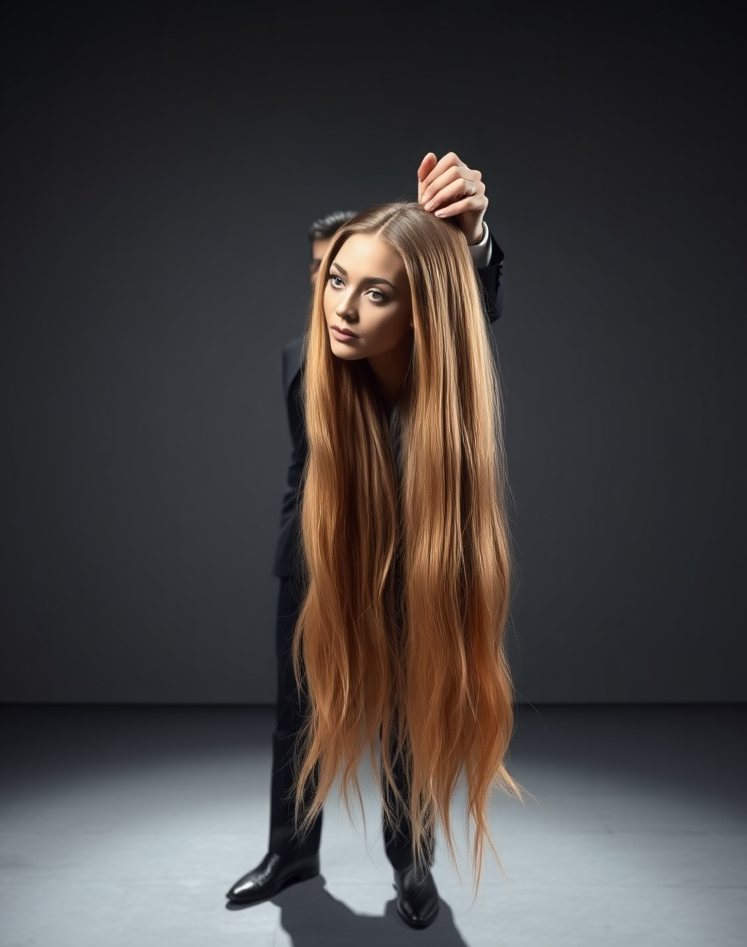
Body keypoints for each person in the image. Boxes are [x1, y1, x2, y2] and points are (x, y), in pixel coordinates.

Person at [227, 153, 512, 930]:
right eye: (333, 280)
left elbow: (471, 298)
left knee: (406, 721)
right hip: (315, 557)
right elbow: (301, 466)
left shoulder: (436, 360)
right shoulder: (305, 359)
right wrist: (299, 552)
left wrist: (472, 236)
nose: (341, 308)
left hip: (415, 563)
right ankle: (290, 850)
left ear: (420, 308)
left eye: (374, 290)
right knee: (297, 714)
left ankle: (412, 864)